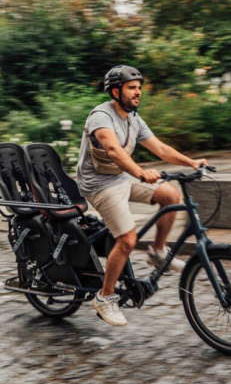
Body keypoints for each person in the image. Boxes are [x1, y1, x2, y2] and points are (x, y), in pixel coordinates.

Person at [76, 65, 208, 327]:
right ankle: (105, 297)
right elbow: (113, 150)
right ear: (116, 91)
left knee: (170, 194)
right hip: (99, 185)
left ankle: (158, 252)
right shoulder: (101, 117)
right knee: (127, 239)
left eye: (138, 88)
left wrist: (191, 162)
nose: (138, 93)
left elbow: (159, 148)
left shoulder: (133, 118)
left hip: (122, 178)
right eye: (131, 88)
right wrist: (139, 172)